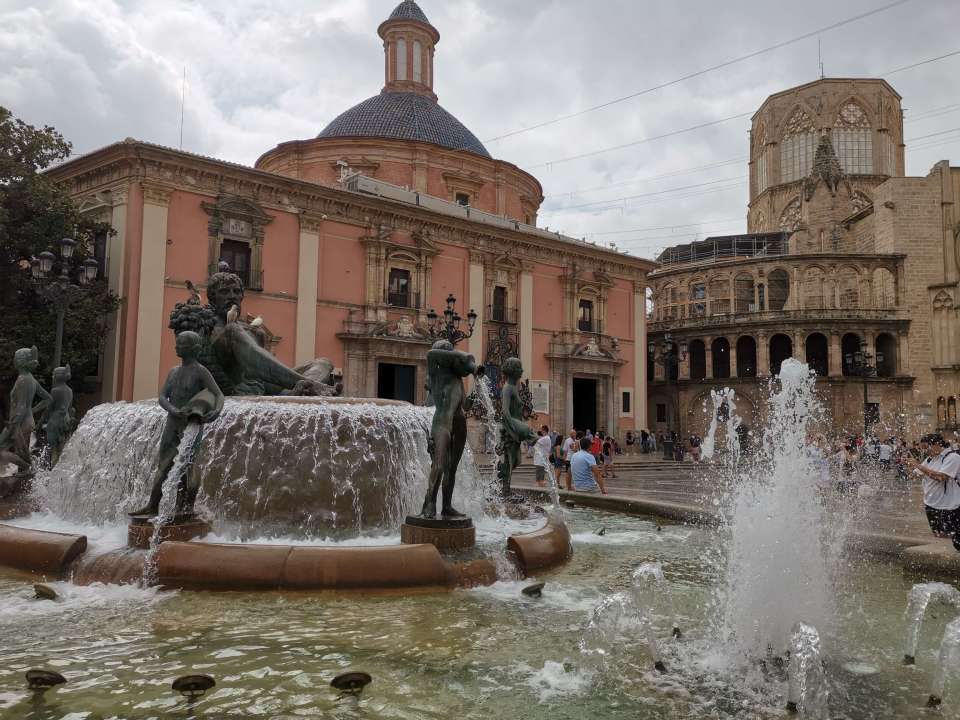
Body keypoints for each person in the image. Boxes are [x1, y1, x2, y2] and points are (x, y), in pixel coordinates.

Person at [129, 331, 225, 517]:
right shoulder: (173, 372)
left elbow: (218, 394)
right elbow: (163, 397)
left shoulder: (201, 371)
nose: (176, 346)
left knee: (189, 465)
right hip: (172, 423)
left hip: (191, 424)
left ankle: (185, 507)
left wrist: (216, 411)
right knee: (163, 465)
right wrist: (173, 410)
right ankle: (152, 505)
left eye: (181, 344)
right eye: (177, 342)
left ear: (193, 349)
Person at [419, 340, 484, 518]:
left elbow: (466, 406)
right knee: (439, 465)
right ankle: (430, 503)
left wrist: (476, 386)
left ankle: (446, 506)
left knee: (451, 469)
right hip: (442, 423)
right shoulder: (435, 373)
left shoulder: (457, 380)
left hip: (460, 424)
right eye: (449, 353)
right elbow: (431, 354)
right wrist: (467, 359)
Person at [903, 433, 960, 551]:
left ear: (937, 444)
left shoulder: (952, 457)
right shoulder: (930, 459)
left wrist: (918, 465)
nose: (925, 451)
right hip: (931, 504)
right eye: (923, 449)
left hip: (949, 505)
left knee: (954, 537)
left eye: (926, 448)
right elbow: (914, 476)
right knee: (939, 534)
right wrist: (909, 466)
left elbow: (941, 477)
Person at [0, 347, 50, 477]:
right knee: (22, 452)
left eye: (15, 358)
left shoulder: (23, 379)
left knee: (4, 451)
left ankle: (29, 468)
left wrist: (12, 426)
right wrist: (31, 411)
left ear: (20, 361)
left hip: (18, 423)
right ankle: (26, 475)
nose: (14, 361)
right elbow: (48, 399)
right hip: (27, 421)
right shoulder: (30, 378)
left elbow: (21, 407)